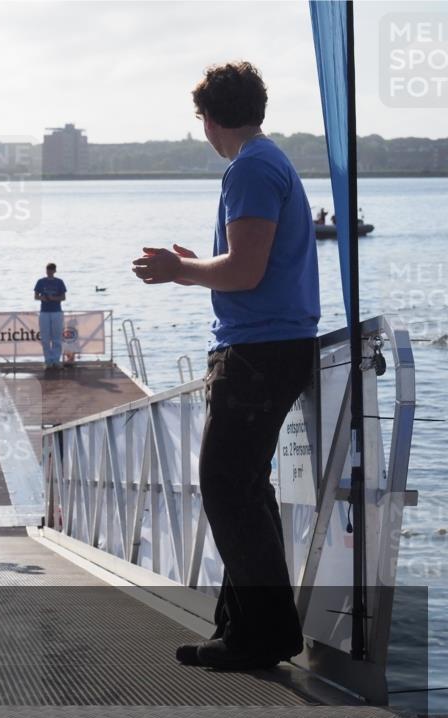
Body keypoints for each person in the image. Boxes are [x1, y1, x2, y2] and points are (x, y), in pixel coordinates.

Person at [131, 61, 320, 671]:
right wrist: (198, 262)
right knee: (243, 488)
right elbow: (246, 262)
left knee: (225, 487)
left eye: (201, 120)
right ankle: (243, 628)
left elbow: (245, 272)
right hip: (272, 347)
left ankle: (264, 634)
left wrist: (177, 271)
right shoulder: (266, 163)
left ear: (209, 118)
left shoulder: (250, 169)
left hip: (258, 353)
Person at [33, 263, 67, 368]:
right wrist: (42, 298)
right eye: (48, 270)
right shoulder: (41, 281)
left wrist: (53, 299)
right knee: (45, 338)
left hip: (56, 311)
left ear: (54, 271)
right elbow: (36, 296)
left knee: (57, 337)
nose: (49, 272)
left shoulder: (59, 282)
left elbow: (63, 297)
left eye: (51, 270)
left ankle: (56, 360)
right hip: (44, 312)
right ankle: (48, 360)